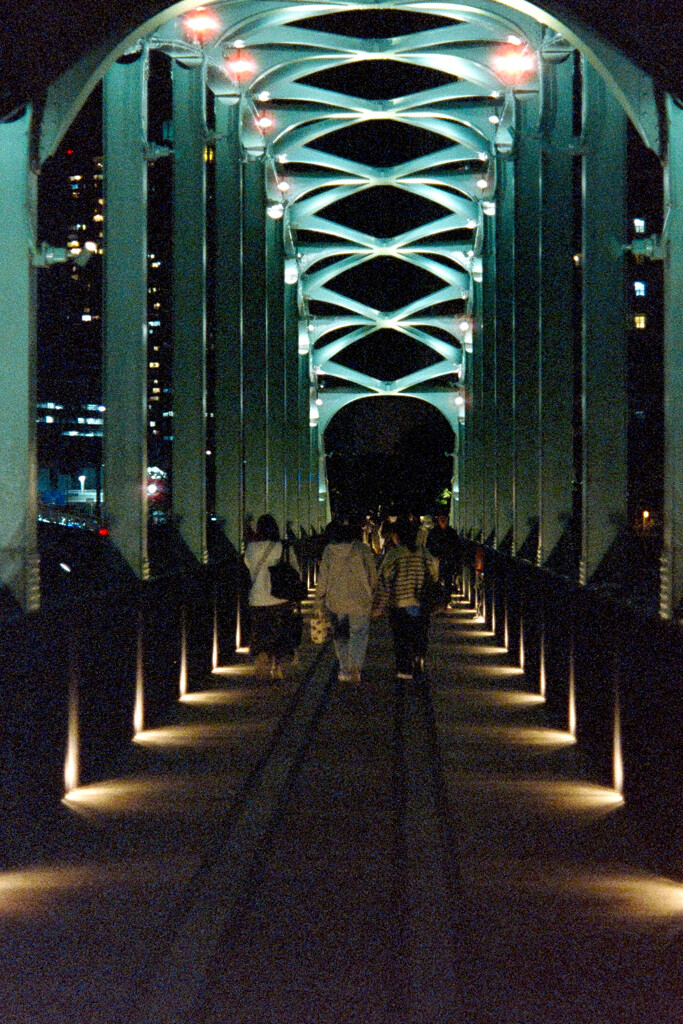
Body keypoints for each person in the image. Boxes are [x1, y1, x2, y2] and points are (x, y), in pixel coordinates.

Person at [315, 517, 378, 685]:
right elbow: (373, 575)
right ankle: (355, 666)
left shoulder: (329, 551)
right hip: (360, 601)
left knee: (341, 636)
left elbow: (323, 579)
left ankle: (343, 670)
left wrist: (319, 601)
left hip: (336, 602)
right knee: (359, 634)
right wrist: (372, 594)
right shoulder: (363, 550)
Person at [374, 516, 439, 679]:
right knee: (419, 633)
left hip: (399, 603)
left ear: (397, 536)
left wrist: (380, 605)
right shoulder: (424, 553)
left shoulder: (393, 555)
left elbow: (384, 581)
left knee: (401, 637)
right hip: (421, 603)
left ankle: (404, 669)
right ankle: (418, 659)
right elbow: (435, 575)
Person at [244, 514, 300, 682]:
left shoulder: (251, 548)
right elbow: (295, 571)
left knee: (260, 631)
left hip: (257, 599)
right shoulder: (283, 548)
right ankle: (277, 666)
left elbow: (248, 567)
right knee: (280, 633)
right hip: (280, 599)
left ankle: (261, 655)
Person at [426, 512, 461, 606]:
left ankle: (446, 600)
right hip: (437, 560)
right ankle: (439, 601)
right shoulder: (433, 532)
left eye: (444, 518)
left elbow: (456, 547)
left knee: (448, 581)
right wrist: (434, 556)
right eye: (441, 518)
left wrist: (454, 559)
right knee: (437, 580)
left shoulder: (452, 532)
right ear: (438, 519)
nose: (442, 520)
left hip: (448, 560)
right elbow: (428, 547)